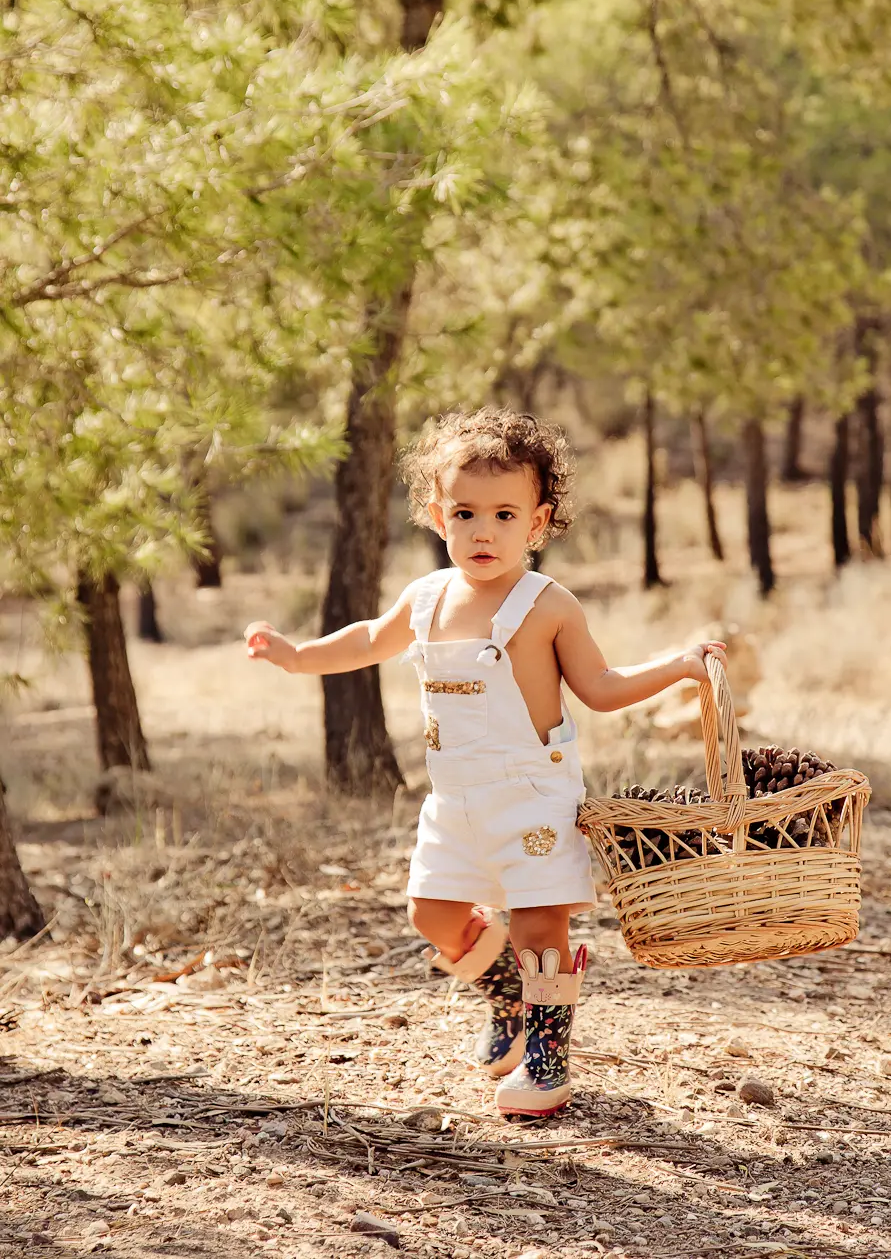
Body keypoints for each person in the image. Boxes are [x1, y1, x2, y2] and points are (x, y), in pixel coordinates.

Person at [244, 407, 725, 1117]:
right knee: (432, 913)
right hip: (455, 798)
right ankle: (508, 997)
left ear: (538, 522)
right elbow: (368, 639)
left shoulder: (548, 605)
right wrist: (296, 656)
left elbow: (600, 687)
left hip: (532, 795)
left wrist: (678, 666)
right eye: (465, 513)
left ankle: (547, 1059)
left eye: (505, 515)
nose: (483, 532)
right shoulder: (426, 598)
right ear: (438, 516)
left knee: (539, 924)